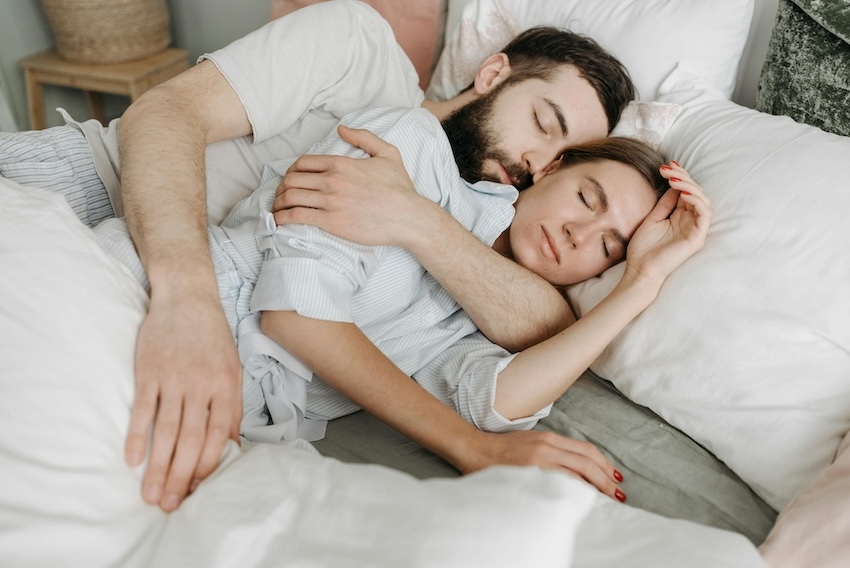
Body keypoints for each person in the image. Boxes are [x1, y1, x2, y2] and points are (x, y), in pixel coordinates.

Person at [0, 0, 636, 511]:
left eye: (561, 160)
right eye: (543, 124)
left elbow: (536, 336)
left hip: (174, 298)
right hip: (85, 190)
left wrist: (645, 277)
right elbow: (165, 113)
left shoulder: (462, 236)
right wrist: (187, 302)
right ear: (493, 74)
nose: (535, 163)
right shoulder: (363, 57)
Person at [94, 103, 709, 510]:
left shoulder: (485, 330)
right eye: (587, 198)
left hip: (205, 413)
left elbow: (502, 402)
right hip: (132, 300)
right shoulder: (410, 149)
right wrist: (474, 450)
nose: (579, 234)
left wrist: (641, 282)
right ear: (549, 168)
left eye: (608, 247)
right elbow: (295, 315)